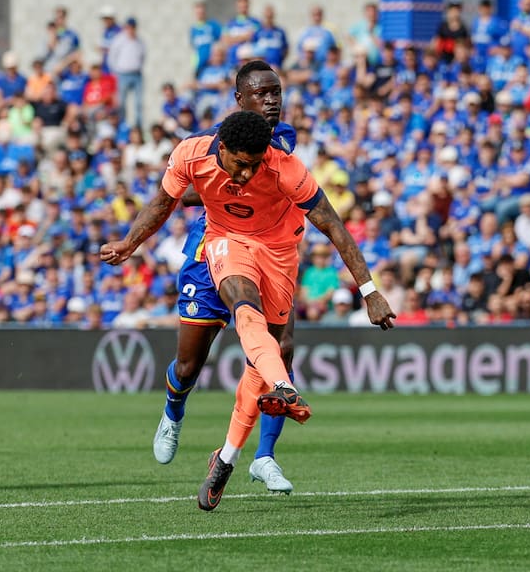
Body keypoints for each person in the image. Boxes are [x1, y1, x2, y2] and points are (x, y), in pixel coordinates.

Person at [100, 110, 395, 511]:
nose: (246, 175)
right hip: (224, 241)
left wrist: (370, 290)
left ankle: (229, 457)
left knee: (272, 350)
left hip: (277, 253)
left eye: (254, 166)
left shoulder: (283, 164)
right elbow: (166, 200)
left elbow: (334, 227)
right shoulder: (192, 151)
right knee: (230, 324)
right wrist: (129, 243)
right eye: (241, 165)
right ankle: (268, 391)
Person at [150, 61, 299, 496]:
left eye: (276, 93)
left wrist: (213, 181)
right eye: (262, 95)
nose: (272, 102)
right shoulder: (214, 140)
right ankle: (173, 412)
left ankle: (264, 456)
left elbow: (217, 184)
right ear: (240, 99)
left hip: (268, 249)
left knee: (280, 350)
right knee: (190, 363)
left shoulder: (280, 138)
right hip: (209, 248)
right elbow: (186, 188)